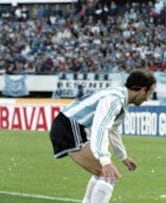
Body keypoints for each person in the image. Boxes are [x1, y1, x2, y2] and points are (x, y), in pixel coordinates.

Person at [49, 69, 156, 203]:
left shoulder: (119, 99)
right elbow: (101, 128)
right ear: (142, 90)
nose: (147, 99)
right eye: (149, 93)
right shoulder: (114, 100)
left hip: (69, 126)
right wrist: (105, 160)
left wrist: (123, 156)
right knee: (108, 175)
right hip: (69, 127)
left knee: (104, 175)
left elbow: (112, 130)